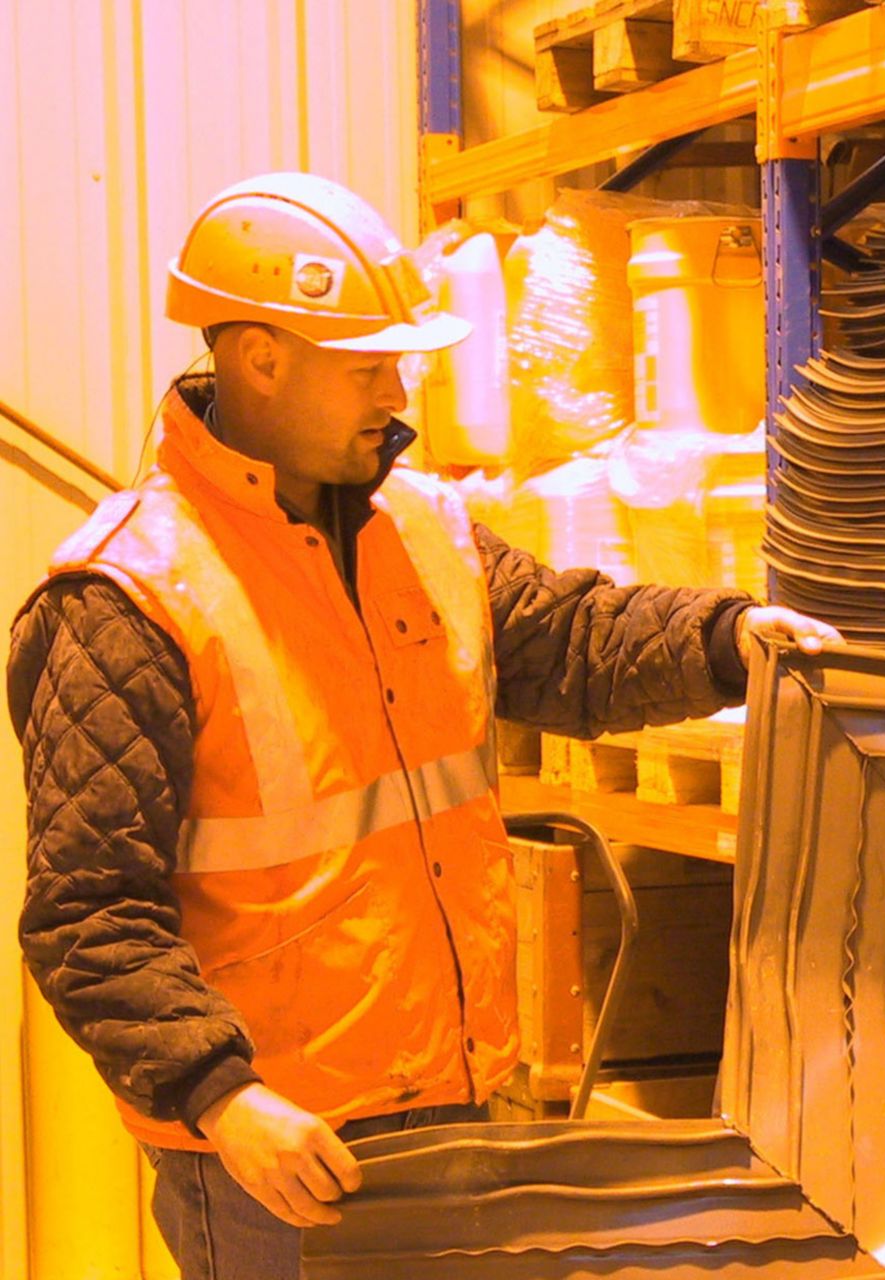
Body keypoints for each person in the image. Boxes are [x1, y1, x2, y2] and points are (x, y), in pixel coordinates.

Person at [7, 171, 841, 1279]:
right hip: (279, 1151)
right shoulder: (130, 597)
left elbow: (571, 641)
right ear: (260, 358)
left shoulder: (423, 527)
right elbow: (87, 914)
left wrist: (725, 637)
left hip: (451, 1104)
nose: (397, 390)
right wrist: (224, 1095)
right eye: (368, 365)